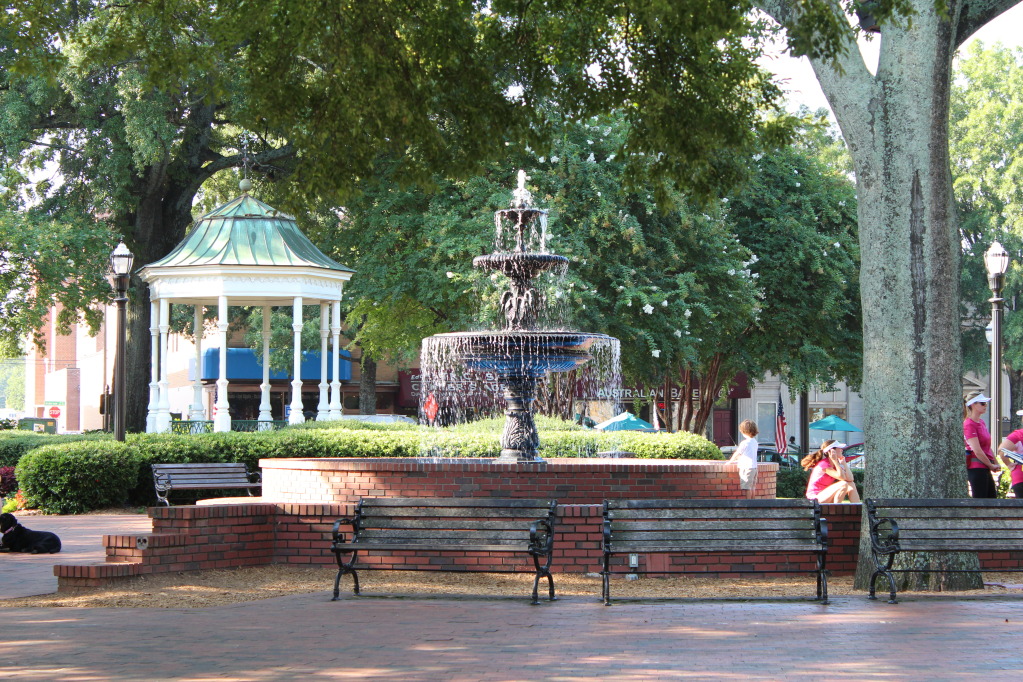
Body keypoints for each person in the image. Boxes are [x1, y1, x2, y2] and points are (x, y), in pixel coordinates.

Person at [963, 391, 999, 498]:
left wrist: (995, 462)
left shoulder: (981, 422)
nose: (985, 406)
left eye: (985, 403)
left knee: (991, 498)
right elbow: (977, 450)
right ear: (973, 405)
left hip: (985, 466)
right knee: (981, 499)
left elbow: (987, 447)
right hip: (976, 467)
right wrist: (991, 465)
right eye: (982, 404)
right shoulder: (969, 424)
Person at [727, 419, 759, 499]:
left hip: (747, 468)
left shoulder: (745, 443)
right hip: (754, 468)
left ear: (744, 431)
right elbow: (748, 454)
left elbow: (737, 453)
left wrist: (730, 462)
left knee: (747, 488)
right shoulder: (755, 442)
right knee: (752, 487)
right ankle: (753, 503)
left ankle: (748, 503)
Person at [996, 408, 1023, 499]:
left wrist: (1009, 464)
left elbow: (1002, 450)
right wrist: (1009, 464)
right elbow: (1002, 450)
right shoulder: (1018, 435)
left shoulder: (1018, 435)